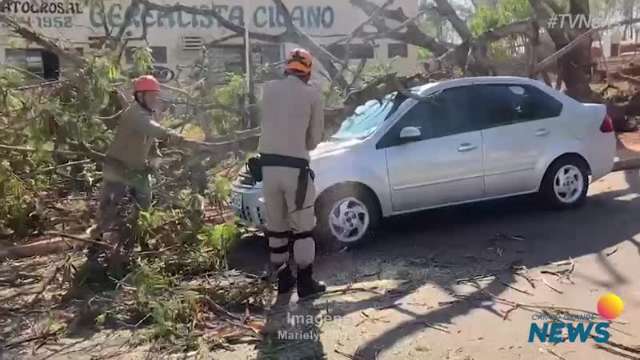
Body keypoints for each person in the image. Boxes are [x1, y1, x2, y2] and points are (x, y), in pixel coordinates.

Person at [89, 75, 184, 257]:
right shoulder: (135, 113)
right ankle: (96, 243)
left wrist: (155, 156)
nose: (155, 99)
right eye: (150, 95)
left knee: (144, 205)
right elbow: (150, 128)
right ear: (140, 96)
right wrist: (172, 135)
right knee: (110, 207)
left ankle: (140, 240)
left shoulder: (149, 113)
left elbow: (151, 139)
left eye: (155, 95)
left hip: (137, 170)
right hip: (117, 168)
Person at [257, 48, 326, 299]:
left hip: (268, 168)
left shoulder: (267, 90)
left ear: (286, 68)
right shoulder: (312, 94)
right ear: (307, 72)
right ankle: (306, 283)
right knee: (303, 227)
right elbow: (313, 140)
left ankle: (284, 280)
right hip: (295, 170)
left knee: (276, 226)